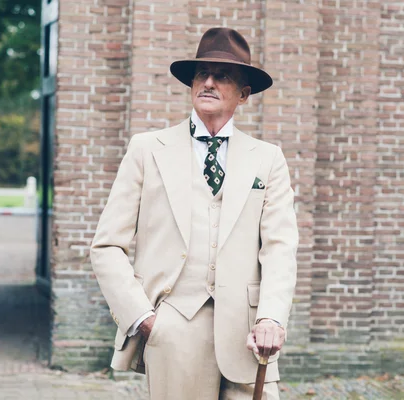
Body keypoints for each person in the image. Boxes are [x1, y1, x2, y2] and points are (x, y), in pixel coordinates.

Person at [90, 27, 298, 400]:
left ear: (244, 93)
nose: (209, 82)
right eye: (202, 73)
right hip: (173, 329)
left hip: (249, 337)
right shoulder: (147, 149)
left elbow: (280, 248)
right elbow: (106, 246)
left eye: (223, 75)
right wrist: (143, 318)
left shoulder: (267, 159)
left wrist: (271, 317)